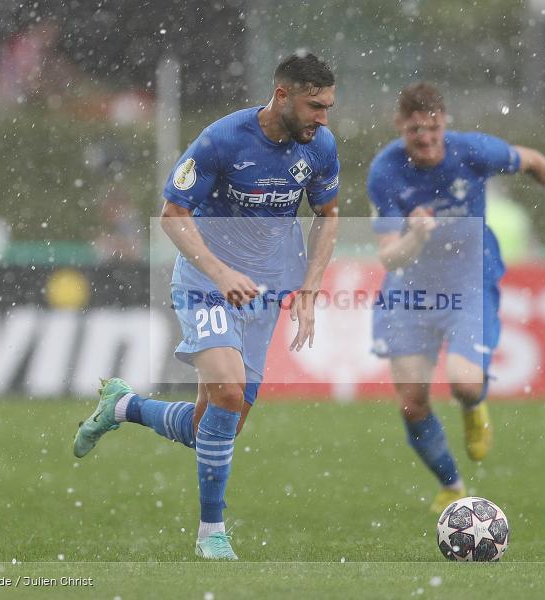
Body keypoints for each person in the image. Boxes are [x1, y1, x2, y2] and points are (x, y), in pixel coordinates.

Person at [72, 52, 340, 560]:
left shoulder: (320, 146)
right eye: (314, 106)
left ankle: (123, 406)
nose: (323, 118)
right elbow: (173, 215)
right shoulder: (223, 139)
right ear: (282, 95)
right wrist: (221, 274)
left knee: (215, 425)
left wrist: (309, 289)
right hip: (205, 282)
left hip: (263, 293)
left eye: (327, 107)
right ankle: (211, 534)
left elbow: (328, 216)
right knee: (228, 392)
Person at [367, 82, 545, 514]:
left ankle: (474, 405)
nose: (426, 139)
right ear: (400, 126)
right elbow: (389, 257)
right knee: (412, 401)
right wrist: (415, 235)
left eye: (433, 128)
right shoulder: (386, 172)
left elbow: (532, 160)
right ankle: (452, 486)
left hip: (467, 284)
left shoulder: (471, 151)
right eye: (416, 129)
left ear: (444, 123)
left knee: (465, 382)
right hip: (410, 292)